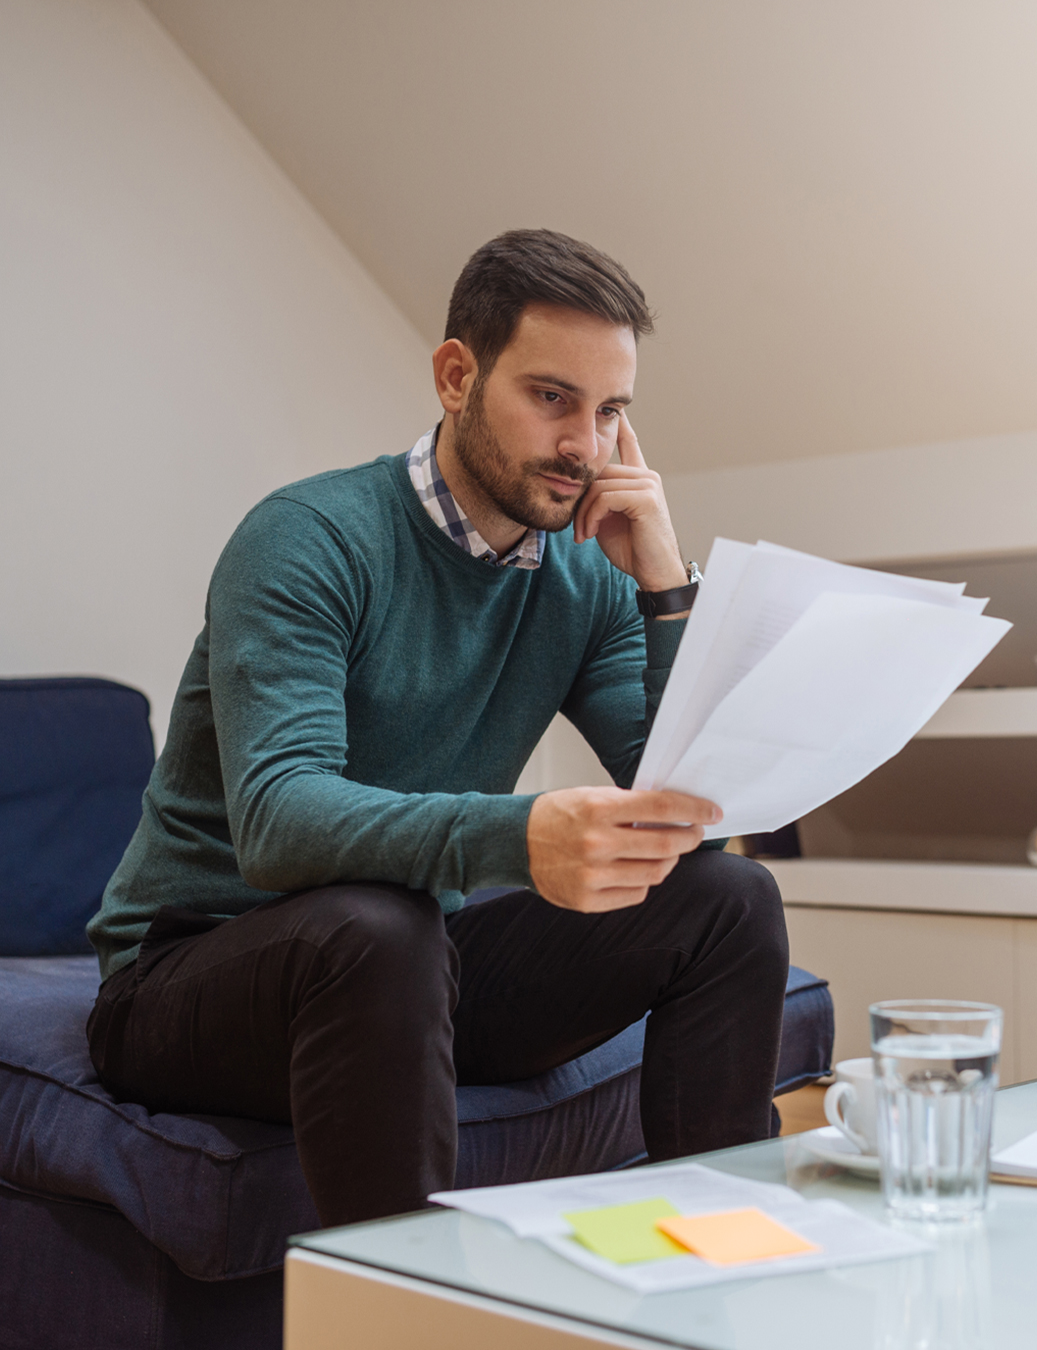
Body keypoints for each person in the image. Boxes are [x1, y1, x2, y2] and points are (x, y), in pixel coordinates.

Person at [86, 229, 788, 1227]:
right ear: (457, 375)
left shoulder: (583, 576)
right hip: (194, 969)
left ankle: (721, 1262)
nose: (584, 446)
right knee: (380, 922)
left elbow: (698, 817)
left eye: (610, 411)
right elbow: (280, 821)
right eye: (553, 398)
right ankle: (410, 1313)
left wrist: (666, 590)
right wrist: (519, 836)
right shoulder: (309, 539)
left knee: (729, 895)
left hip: (409, 968)